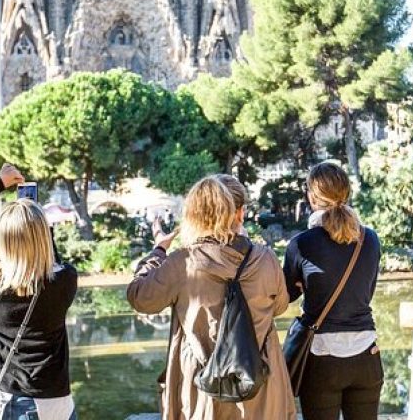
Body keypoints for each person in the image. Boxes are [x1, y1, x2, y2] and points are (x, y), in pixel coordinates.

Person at [127, 175, 296, 420]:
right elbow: (279, 306)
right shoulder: (266, 259)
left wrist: (158, 251)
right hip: (258, 381)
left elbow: (140, 297)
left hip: (202, 385)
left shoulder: (184, 262)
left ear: (195, 215)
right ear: (240, 213)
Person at [0, 163, 77, 420]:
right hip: (51, 406)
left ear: (1, 239)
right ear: (44, 236)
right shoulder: (64, 280)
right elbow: (51, 261)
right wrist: (38, 225)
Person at [282, 162, 383, 420]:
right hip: (366, 356)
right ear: (346, 193)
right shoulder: (370, 239)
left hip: (322, 357)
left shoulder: (302, 244)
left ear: (312, 197)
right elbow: (365, 292)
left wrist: (305, 285)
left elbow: (285, 297)